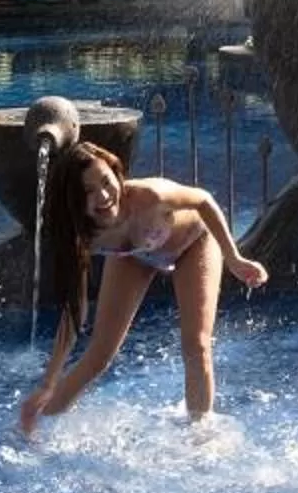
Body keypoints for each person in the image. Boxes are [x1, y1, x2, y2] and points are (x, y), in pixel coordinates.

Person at [18, 142, 266, 435]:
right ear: (74, 198)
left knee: (196, 344)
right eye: (88, 191)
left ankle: (200, 434)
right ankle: (34, 428)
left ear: (116, 174)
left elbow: (203, 200)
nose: (103, 196)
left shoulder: (150, 196)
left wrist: (233, 258)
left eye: (106, 182)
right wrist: (48, 382)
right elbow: (74, 309)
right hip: (134, 256)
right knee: (99, 354)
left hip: (193, 243)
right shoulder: (82, 234)